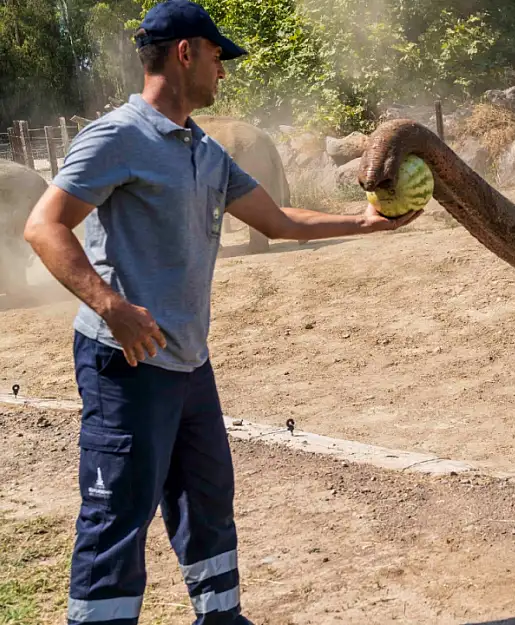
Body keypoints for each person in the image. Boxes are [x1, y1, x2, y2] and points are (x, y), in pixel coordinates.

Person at [22, 1, 421, 623]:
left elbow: (279, 220)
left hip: (188, 360)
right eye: (217, 56)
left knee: (207, 500)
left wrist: (368, 222)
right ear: (186, 53)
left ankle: (221, 616)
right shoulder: (115, 136)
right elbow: (43, 226)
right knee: (118, 515)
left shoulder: (203, 150)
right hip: (124, 360)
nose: (223, 72)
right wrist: (111, 305)